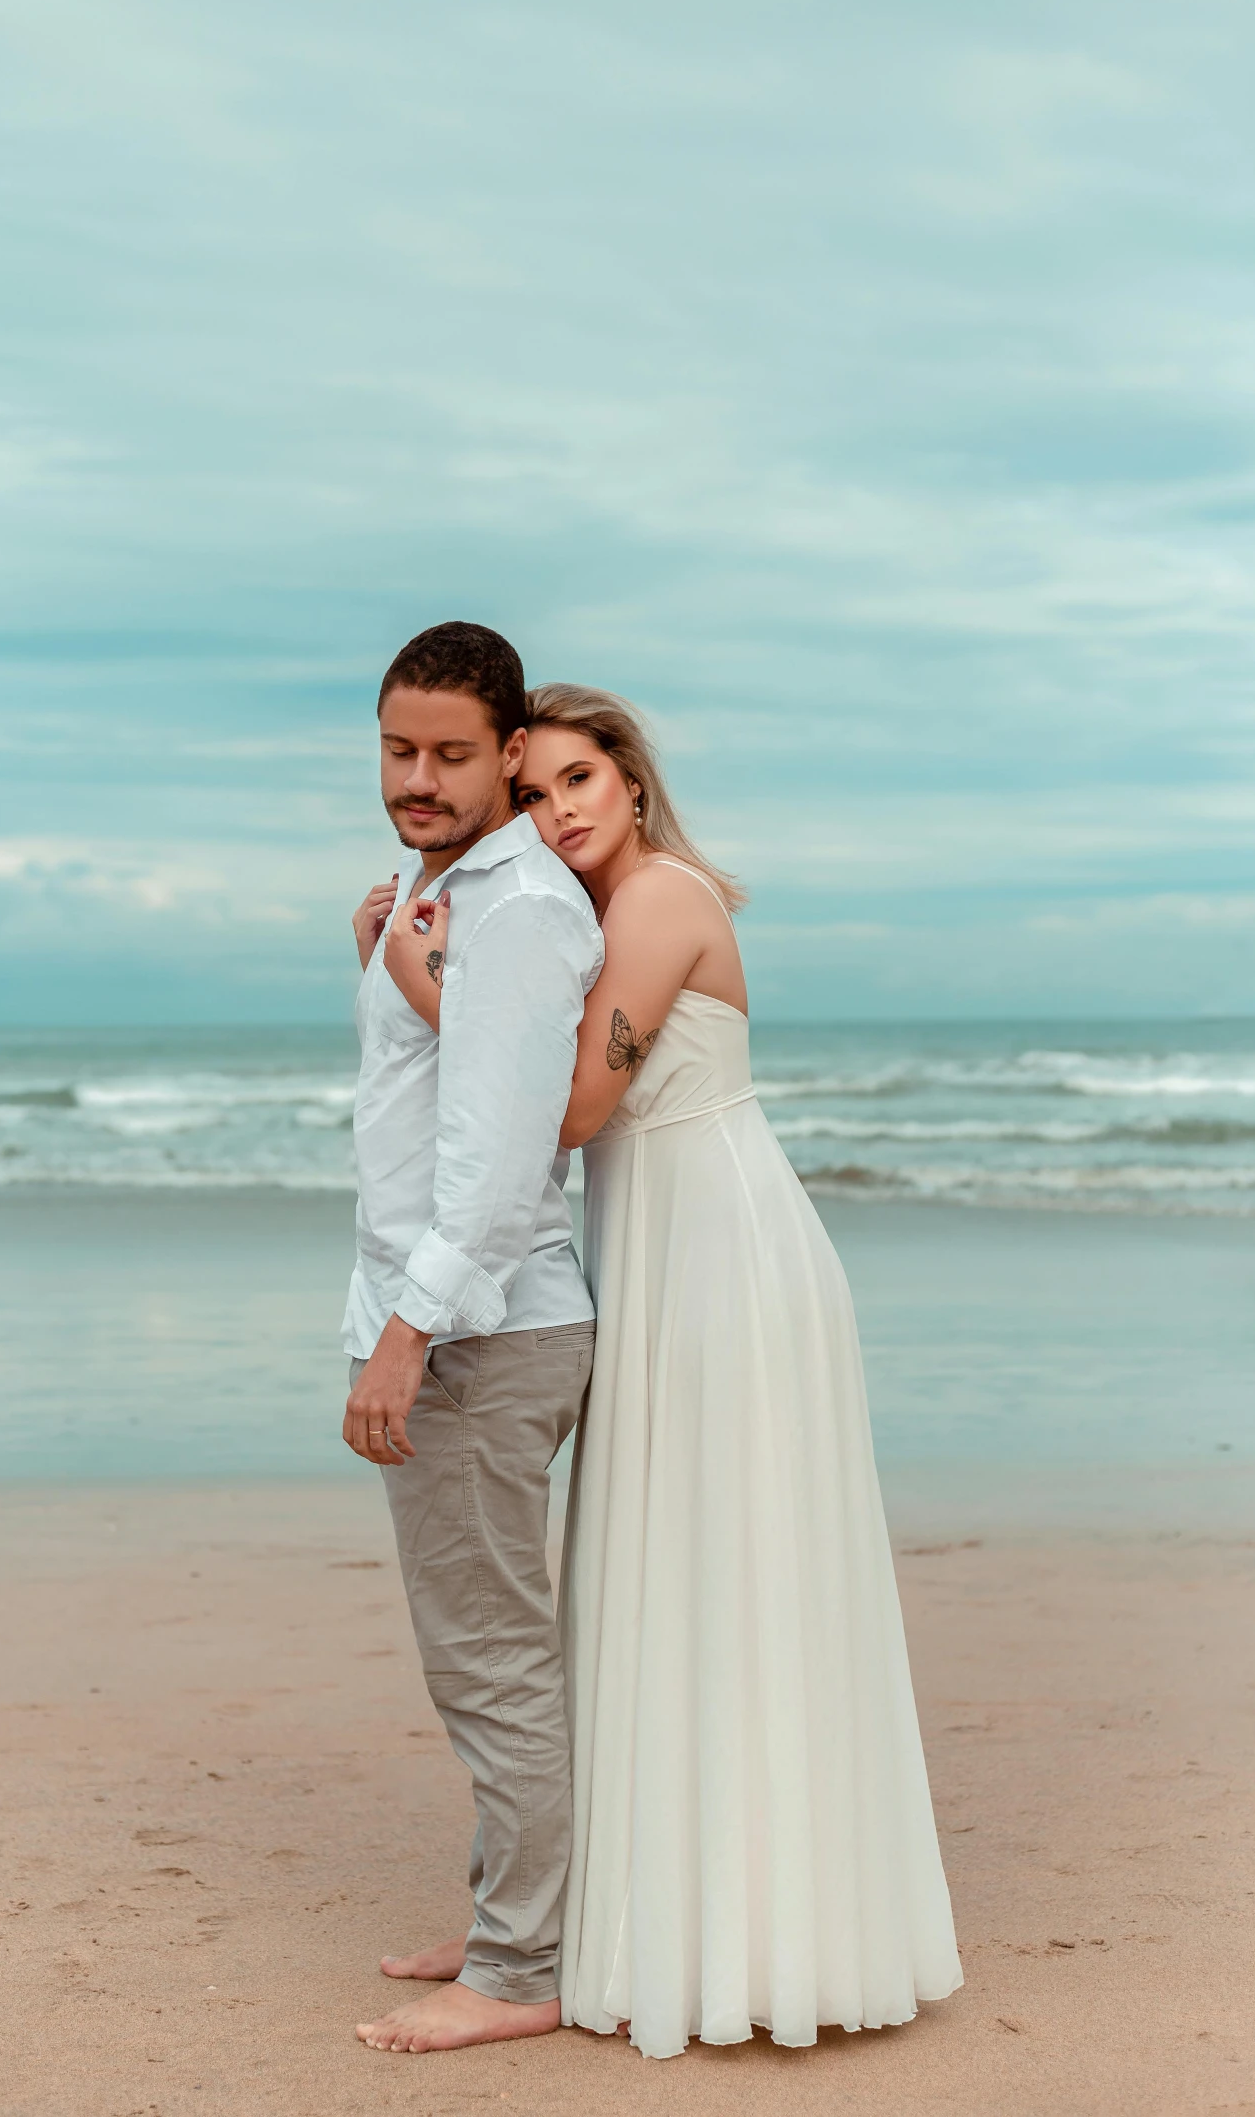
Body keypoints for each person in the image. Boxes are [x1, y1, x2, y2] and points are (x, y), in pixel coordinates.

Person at [385, 682, 962, 2058]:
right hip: (658, 1258)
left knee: (730, 1577)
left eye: (578, 779)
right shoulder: (586, 916)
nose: (556, 810)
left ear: (632, 784)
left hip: (726, 1265)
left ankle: (728, 1930)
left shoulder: (656, 902)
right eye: (532, 794)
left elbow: (576, 1107)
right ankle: (573, 1917)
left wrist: (418, 974)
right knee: (654, 1578)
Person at [342, 625, 604, 2056]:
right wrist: (381, 956)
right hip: (468, 1324)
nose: (420, 778)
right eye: (400, 750)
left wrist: (404, 1337)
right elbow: (436, 1099)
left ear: (512, 750)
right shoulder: (444, 896)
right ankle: (519, 1908)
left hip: (480, 1339)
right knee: (489, 1648)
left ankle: (521, 1965)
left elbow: (503, 1165)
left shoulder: (519, 910)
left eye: (452, 753)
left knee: (492, 1658)